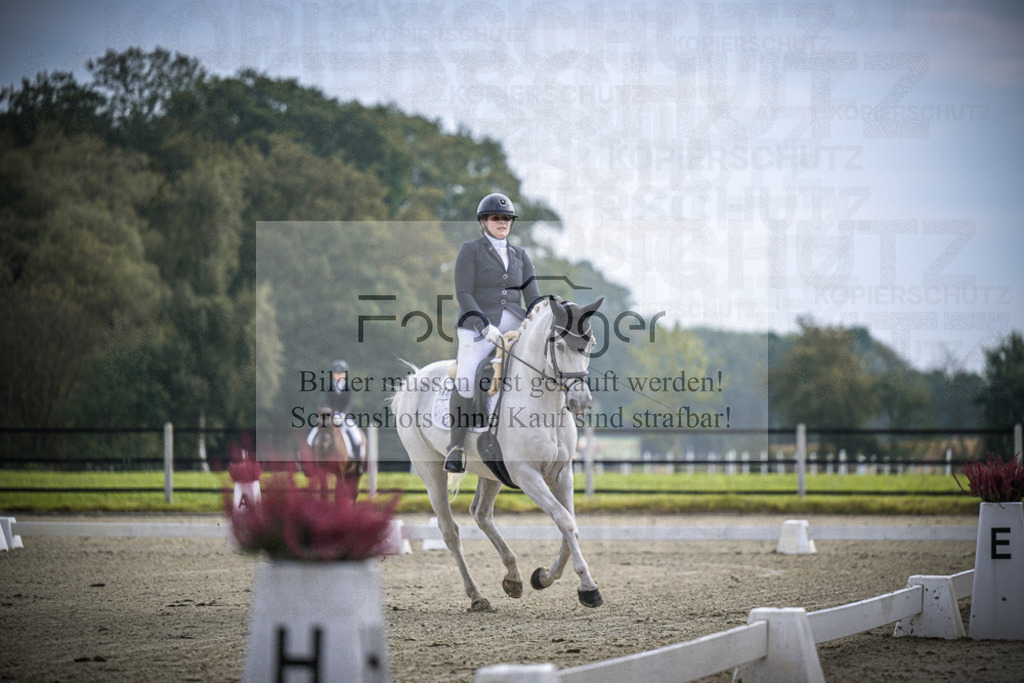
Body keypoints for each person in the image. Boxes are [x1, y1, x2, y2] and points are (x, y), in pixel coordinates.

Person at [444, 192, 543, 473]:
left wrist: (542, 316)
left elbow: (532, 297)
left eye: (507, 218)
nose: (503, 222)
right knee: (465, 377)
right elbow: (463, 292)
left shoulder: (520, 255)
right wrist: (482, 324)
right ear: (484, 222)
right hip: (477, 326)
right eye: (497, 218)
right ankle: (456, 446)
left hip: (514, 322)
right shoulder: (470, 250)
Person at [307, 359, 364, 464]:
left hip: (344, 417)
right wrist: (327, 412)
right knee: (311, 437)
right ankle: (311, 463)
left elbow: (348, 405)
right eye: (336, 373)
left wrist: (342, 414)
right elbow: (328, 403)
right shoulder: (330, 388)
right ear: (333, 374)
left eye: (341, 373)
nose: (338, 375)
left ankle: (358, 463)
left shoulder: (348, 388)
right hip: (329, 417)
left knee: (357, 437)